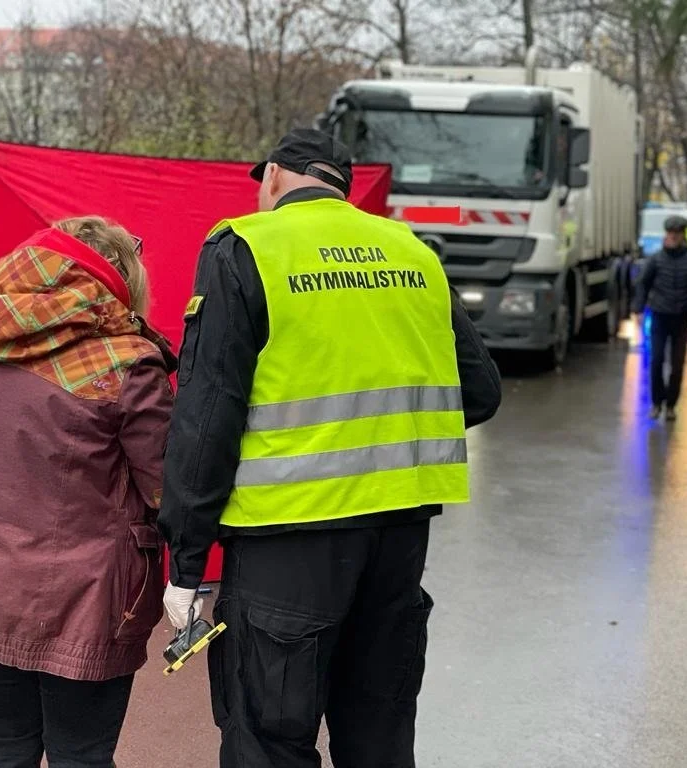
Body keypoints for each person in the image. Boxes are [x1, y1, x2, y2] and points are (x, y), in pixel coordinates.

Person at [157, 128, 502, 768]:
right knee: (379, 736)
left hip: (287, 539)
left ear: (275, 179)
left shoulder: (246, 246)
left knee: (268, 739)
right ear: (341, 188)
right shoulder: (411, 251)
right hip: (398, 538)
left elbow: (207, 417)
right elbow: (479, 392)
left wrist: (184, 557)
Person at [0, 217, 174, 767]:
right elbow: (167, 486)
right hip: (93, 600)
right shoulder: (128, 364)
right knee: (82, 755)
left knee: (0, 750)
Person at [632, 214, 687, 422]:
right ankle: (656, 403)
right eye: (669, 233)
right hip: (659, 315)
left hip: (682, 317)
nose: (672, 237)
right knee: (657, 360)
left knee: (677, 364)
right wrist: (638, 310)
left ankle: (671, 405)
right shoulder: (656, 260)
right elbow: (642, 284)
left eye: (676, 233)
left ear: (683, 235)